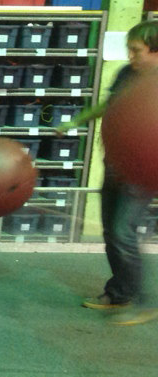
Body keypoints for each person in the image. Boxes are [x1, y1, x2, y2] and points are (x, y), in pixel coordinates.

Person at [60, 20, 158, 325]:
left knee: (122, 232)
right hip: (115, 163)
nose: (130, 56)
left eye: (136, 50)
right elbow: (108, 106)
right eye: (129, 49)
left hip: (140, 171)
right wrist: (75, 123)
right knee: (110, 234)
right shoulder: (127, 74)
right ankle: (119, 294)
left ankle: (144, 303)